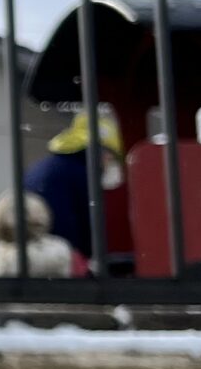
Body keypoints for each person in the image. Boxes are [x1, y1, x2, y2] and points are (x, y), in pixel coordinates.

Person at [22, 110, 131, 272]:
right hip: (57, 258)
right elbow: (90, 227)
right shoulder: (82, 174)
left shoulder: (49, 167)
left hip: (30, 255)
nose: (110, 162)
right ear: (99, 152)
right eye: (110, 155)